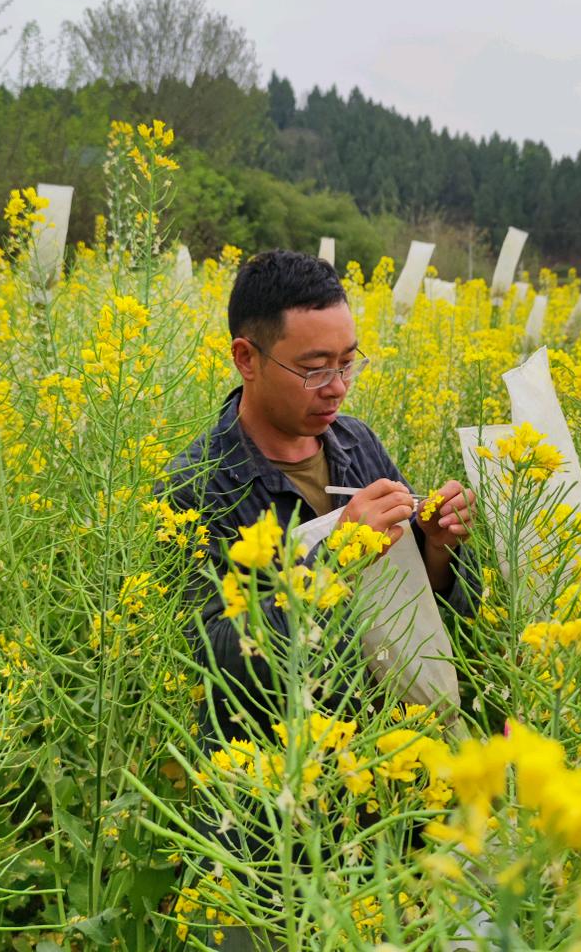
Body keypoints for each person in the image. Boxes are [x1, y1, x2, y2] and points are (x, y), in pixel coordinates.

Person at [156, 249, 478, 747]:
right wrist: (334, 565)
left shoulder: (359, 442)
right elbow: (207, 659)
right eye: (314, 369)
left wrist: (436, 546)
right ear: (247, 359)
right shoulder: (195, 487)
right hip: (280, 779)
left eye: (348, 364)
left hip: (396, 752)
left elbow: (420, 602)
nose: (337, 389)